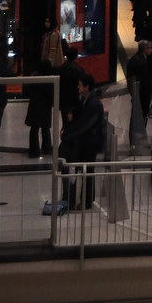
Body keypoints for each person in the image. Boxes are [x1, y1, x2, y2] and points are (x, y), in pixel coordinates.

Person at [59, 72, 104, 210]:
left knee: (88, 171)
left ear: (87, 86)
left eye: (80, 85)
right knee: (86, 171)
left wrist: (68, 135)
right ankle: (85, 199)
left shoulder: (94, 104)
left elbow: (85, 124)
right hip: (88, 141)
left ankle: (87, 201)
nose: (78, 87)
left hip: (91, 143)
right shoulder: (86, 100)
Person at [25, 59, 54, 158]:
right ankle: (47, 148)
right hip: (45, 106)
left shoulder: (33, 77)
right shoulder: (50, 79)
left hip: (34, 105)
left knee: (34, 128)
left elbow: (28, 91)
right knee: (45, 128)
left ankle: (34, 151)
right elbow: (51, 95)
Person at [126, 39, 152, 123]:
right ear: (145, 49)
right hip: (142, 93)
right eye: (150, 48)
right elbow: (143, 79)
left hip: (137, 92)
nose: (151, 49)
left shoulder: (135, 58)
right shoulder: (141, 62)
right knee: (142, 114)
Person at [58, 46, 84, 125]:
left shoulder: (60, 69)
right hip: (74, 100)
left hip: (63, 101)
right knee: (75, 123)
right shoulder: (79, 69)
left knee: (65, 122)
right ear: (76, 56)